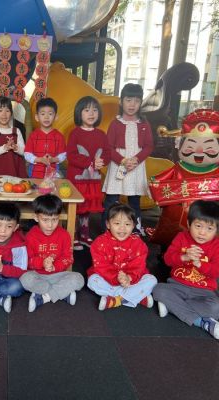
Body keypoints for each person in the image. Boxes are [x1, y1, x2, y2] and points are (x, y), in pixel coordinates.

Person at [153, 200, 219, 339]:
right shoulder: (181, 237)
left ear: (216, 230)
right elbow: (167, 259)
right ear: (189, 224)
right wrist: (184, 257)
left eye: (209, 229)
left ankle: (172, 307)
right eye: (198, 226)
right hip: (177, 286)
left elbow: (216, 272)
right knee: (158, 289)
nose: (202, 232)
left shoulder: (216, 245)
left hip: (204, 292)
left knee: (216, 307)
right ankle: (202, 322)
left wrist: (200, 264)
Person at [102, 83, 153, 235]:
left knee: (134, 201)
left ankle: (135, 230)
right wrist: (123, 160)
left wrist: (136, 159)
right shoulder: (115, 123)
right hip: (118, 165)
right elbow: (108, 147)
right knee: (111, 200)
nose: (132, 104)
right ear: (121, 101)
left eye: (136, 101)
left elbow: (149, 146)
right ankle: (107, 230)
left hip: (136, 166)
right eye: (128, 100)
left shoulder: (144, 124)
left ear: (141, 103)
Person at [20, 194, 85, 312]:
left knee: (79, 279)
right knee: (25, 279)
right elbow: (28, 261)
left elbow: (68, 258)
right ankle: (62, 294)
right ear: (36, 218)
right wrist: (42, 263)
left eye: (54, 219)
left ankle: (43, 296)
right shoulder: (30, 236)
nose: (50, 225)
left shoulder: (64, 235)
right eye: (45, 220)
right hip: (37, 275)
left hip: (58, 275)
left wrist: (55, 266)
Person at [87, 203, 157, 310]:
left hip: (131, 280)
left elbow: (139, 266)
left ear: (133, 225)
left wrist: (129, 278)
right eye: (117, 223)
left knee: (152, 280)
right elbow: (101, 266)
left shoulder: (138, 244)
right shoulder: (99, 242)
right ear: (108, 224)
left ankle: (115, 300)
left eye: (127, 224)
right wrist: (117, 279)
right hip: (109, 279)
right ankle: (136, 297)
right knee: (93, 281)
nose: (122, 228)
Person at [67, 96, 110, 250]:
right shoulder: (75, 133)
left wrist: (101, 161)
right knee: (76, 208)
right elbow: (71, 155)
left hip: (93, 179)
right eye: (86, 110)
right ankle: (73, 235)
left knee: (86, 209)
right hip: (77, 179)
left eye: (95, 110)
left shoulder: (101, 134)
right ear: (79, 113)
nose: (91, 113)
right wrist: (91, 162)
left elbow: (107, 153)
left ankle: (84, 235)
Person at [24, 97, 66, 179]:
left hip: (53, 176)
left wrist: (53, 159)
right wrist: (39, 159)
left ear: (56, 117)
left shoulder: (59, 136)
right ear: (37, 117)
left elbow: (63, 155)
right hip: (35, 174)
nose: (46, 117)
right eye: (43, 114)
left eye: (50, 114)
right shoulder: (33, 135)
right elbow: (27, 154)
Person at [0, 96, 27, 178]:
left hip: (16, 171)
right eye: (0, 110)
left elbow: (23, 151)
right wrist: (5, 147)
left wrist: (16, 148)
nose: (4, 114)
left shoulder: (16, 131)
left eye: (7, 111)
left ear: (11, 113)